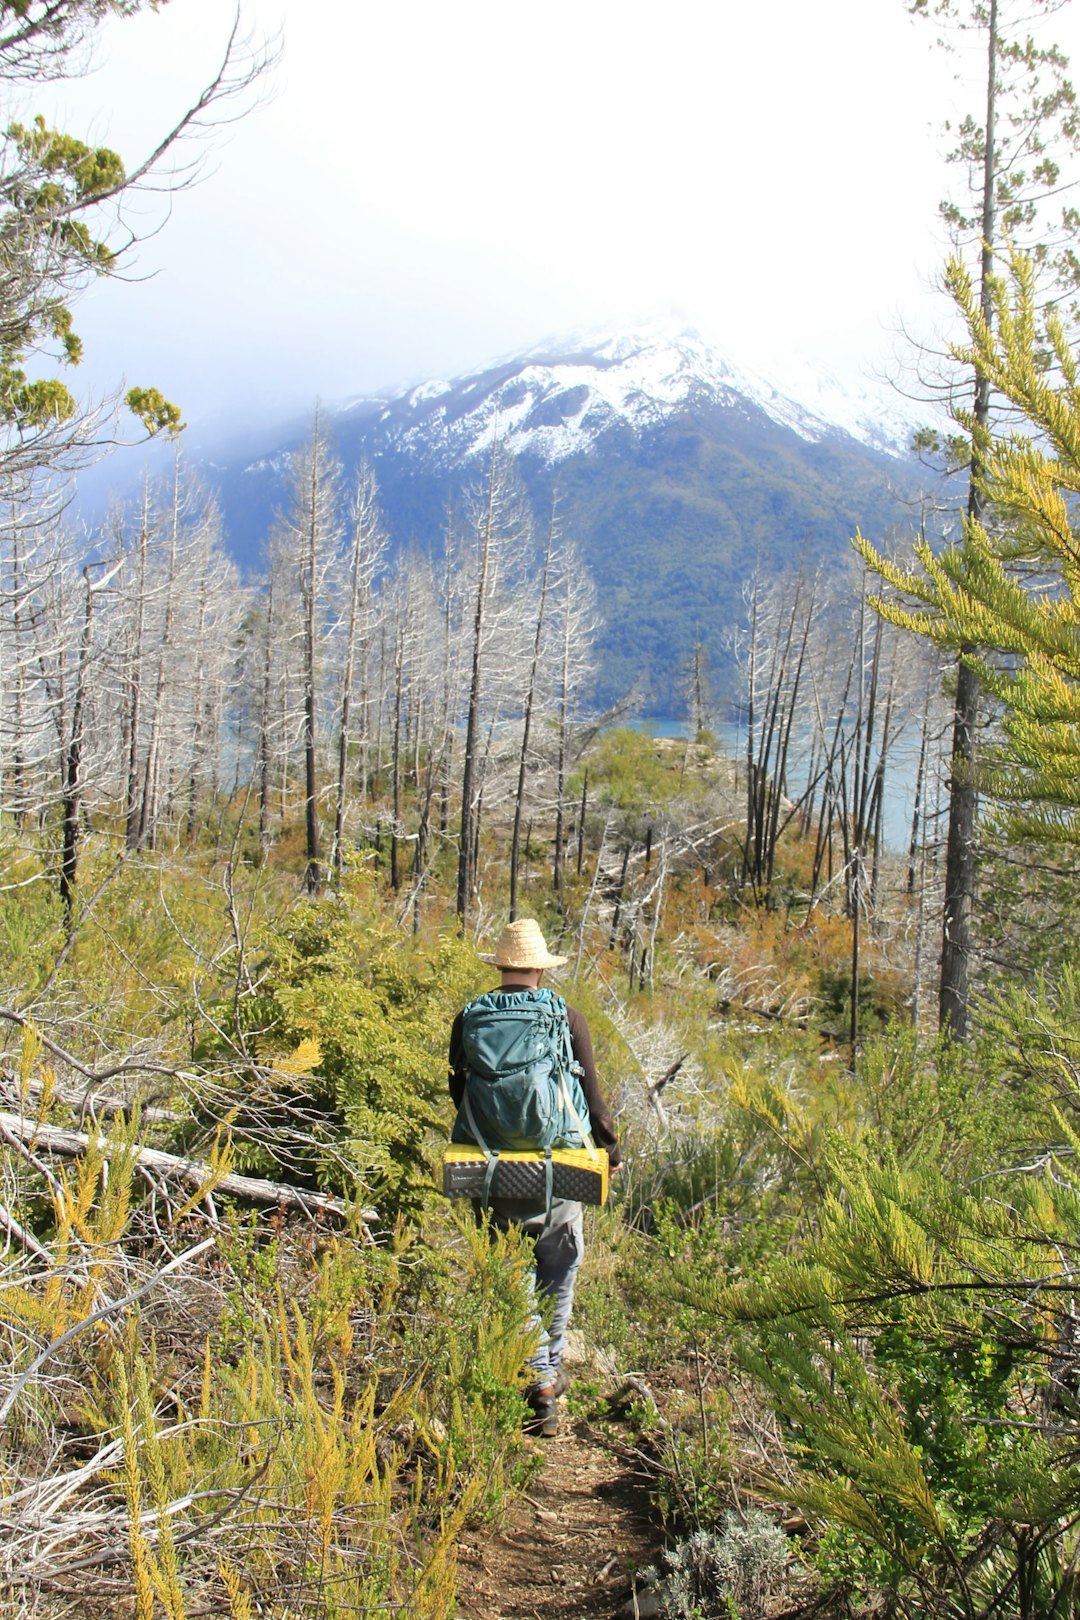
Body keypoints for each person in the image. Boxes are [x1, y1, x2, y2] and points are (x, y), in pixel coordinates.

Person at [448, 917, 622, 1437]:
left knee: (510, 1265)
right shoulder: (567, 1017)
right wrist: (609, 1149)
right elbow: (592, 1099)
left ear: (501, 966)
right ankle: (547, 1373)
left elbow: (458, 1090)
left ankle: (538, 1378)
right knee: (561, 1260)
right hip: (558, 1163)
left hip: (492, 1163)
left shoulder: (469, 1018)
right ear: (541, 969)